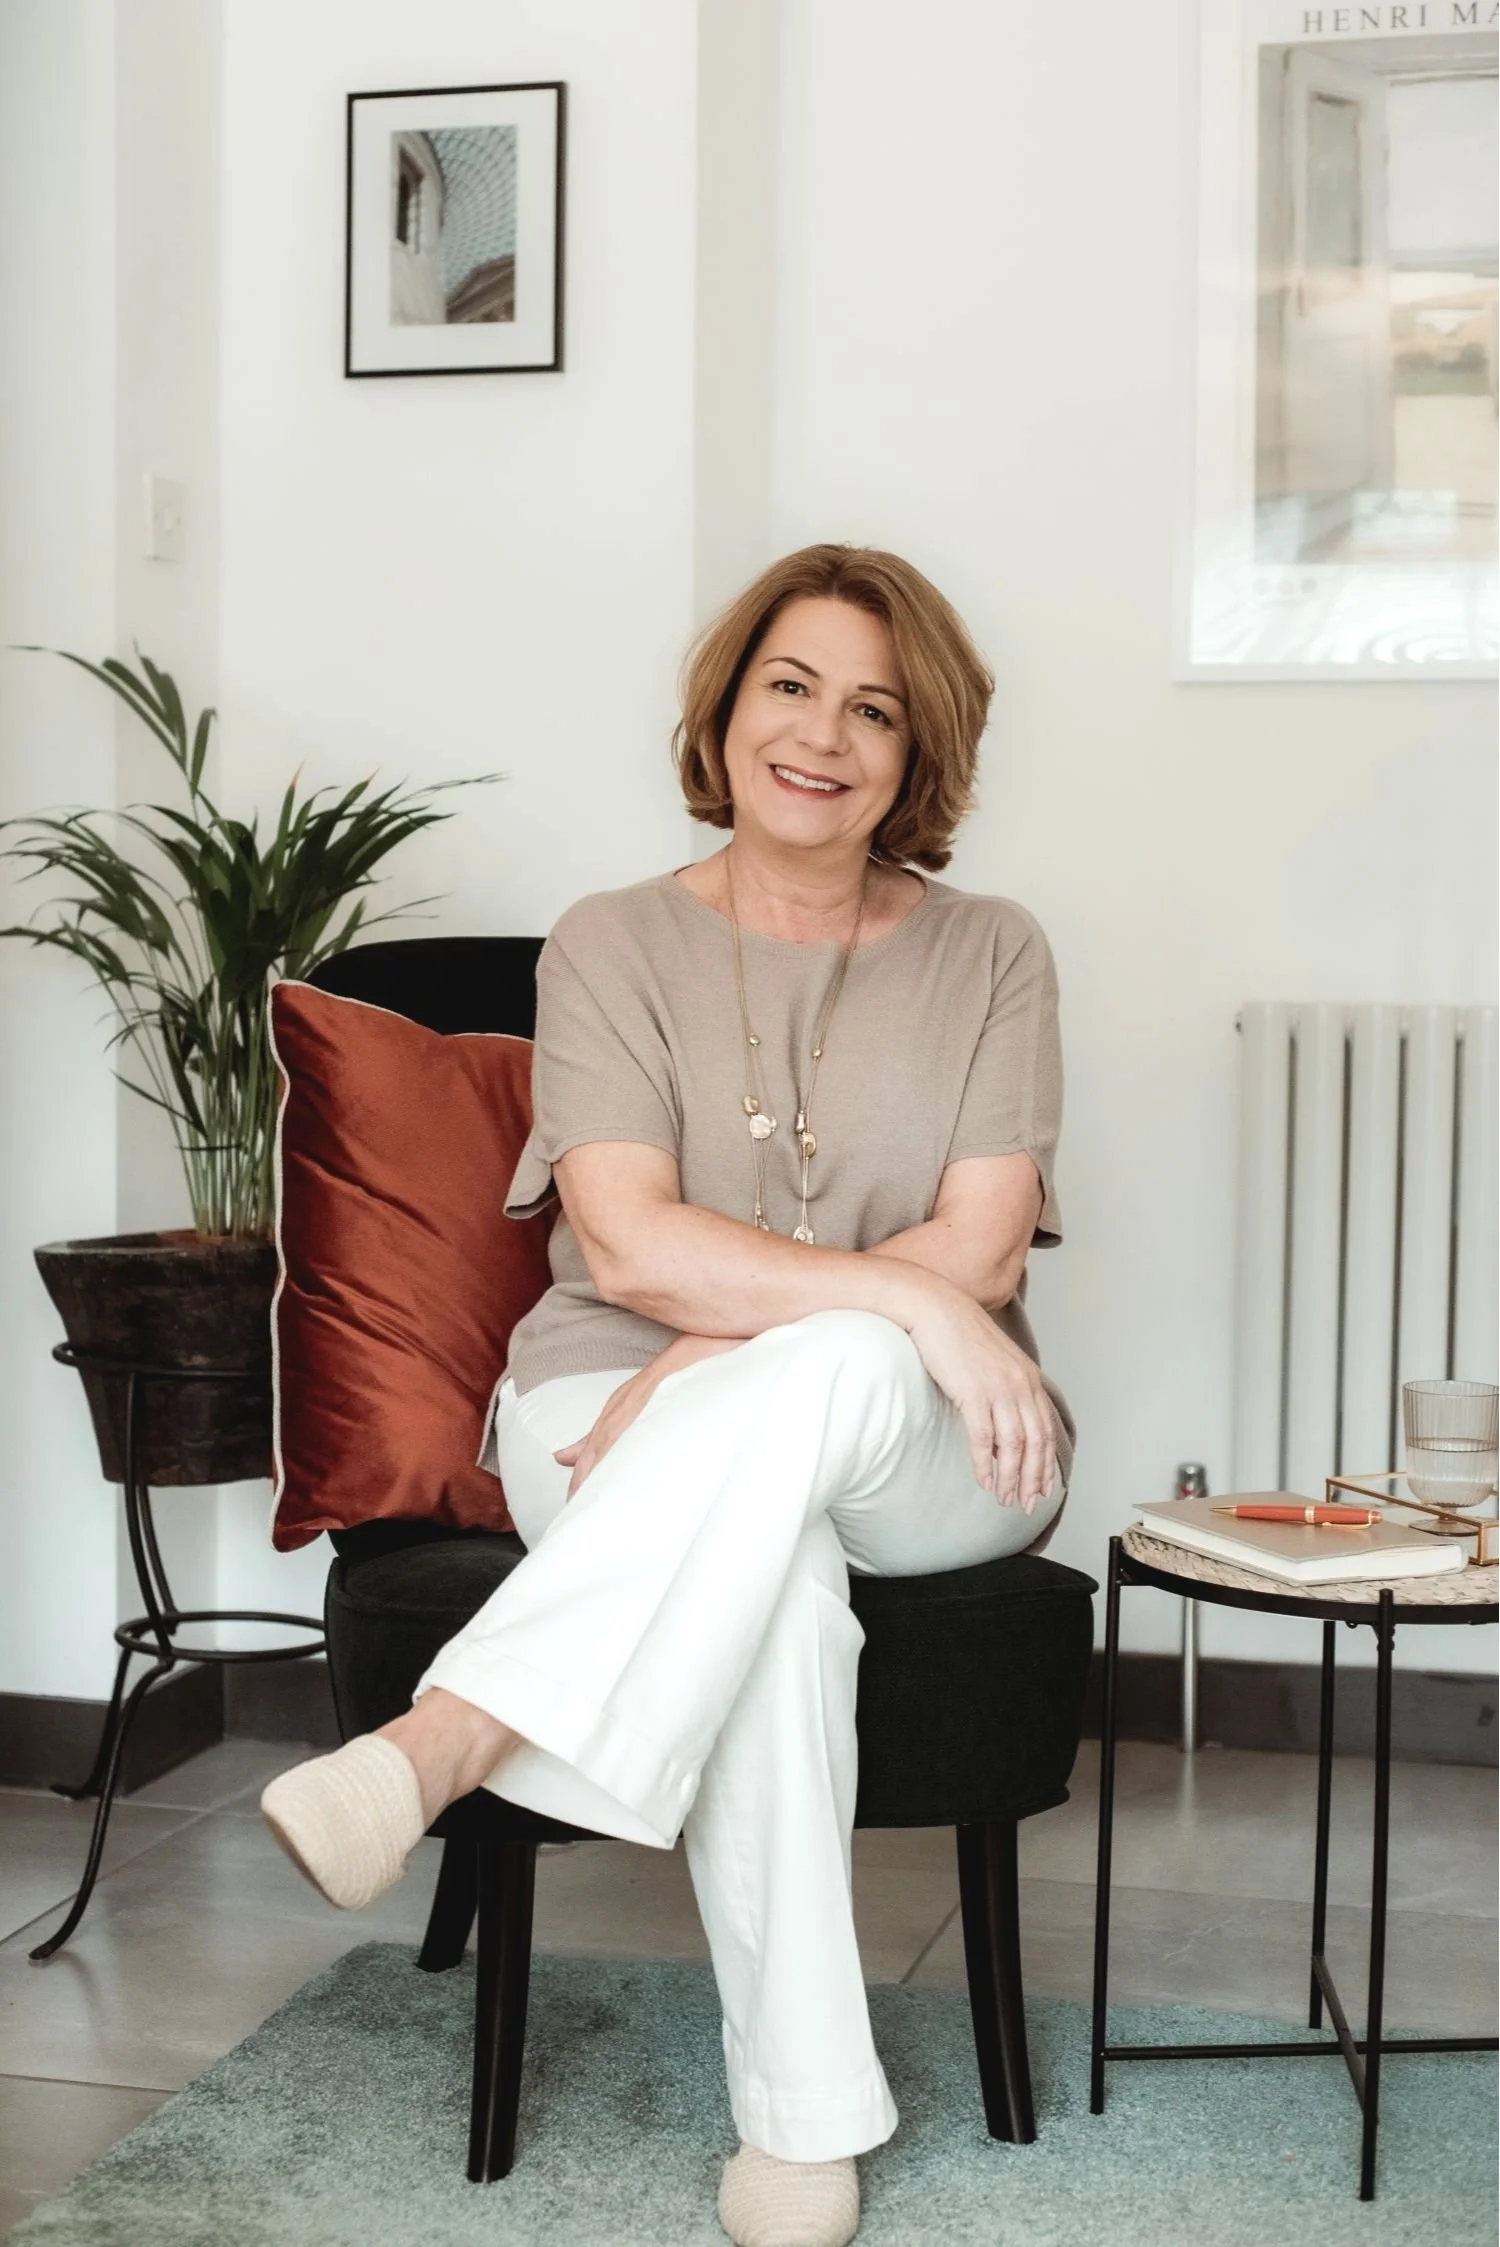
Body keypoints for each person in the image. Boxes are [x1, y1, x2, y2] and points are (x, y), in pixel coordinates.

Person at [262, 543, 1074, 2247]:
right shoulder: (612, 940)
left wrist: (740, 1344)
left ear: (922, 755)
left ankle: (455, 1731)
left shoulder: (993, 950)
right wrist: (814, 1317)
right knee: (776, 1568)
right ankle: (800, 2125)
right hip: (601, 1403)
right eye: (792, 685)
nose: (825, 736)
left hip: (934, 1434)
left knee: (849, 1359)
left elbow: (981, 1245)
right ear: (725, 708)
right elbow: (623, 1247)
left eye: (877, 708)